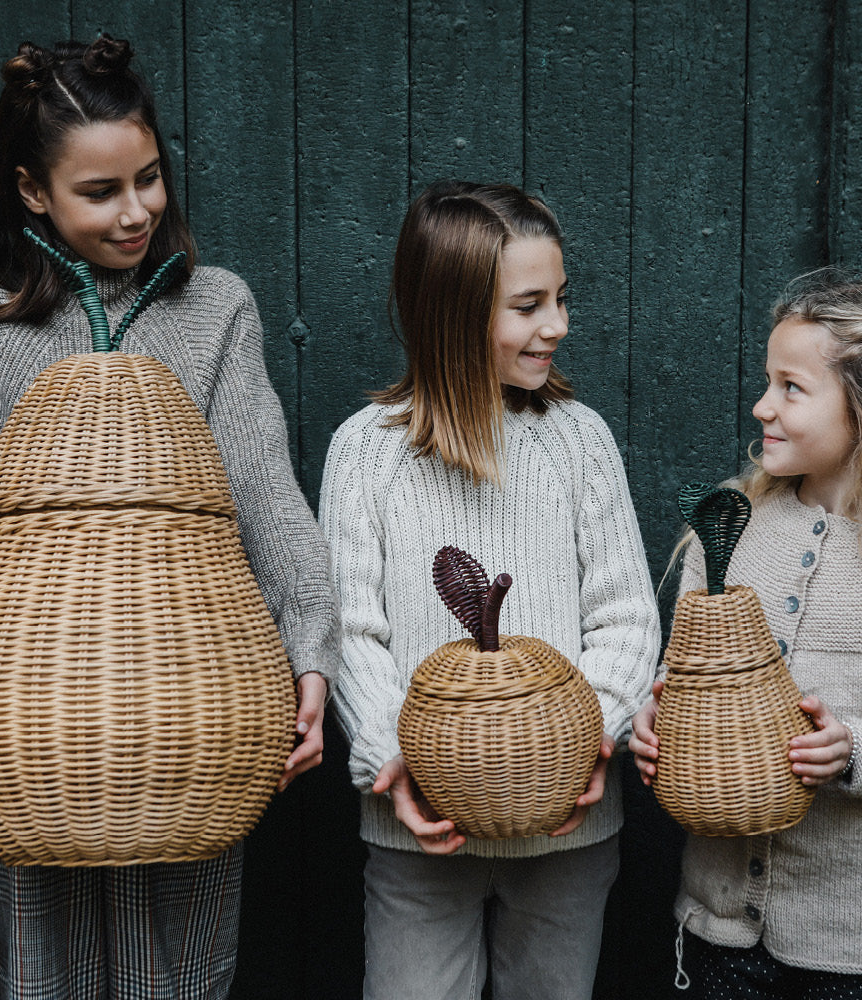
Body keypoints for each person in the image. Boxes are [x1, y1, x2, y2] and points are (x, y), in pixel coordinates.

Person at [0, 36, 339, 1000]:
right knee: (46, 981)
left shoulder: (217, 312)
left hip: (194, 728)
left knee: (186, 978)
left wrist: (312, 661)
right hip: (19, 736)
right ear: (34, 191)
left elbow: (273, 514)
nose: (138, 212)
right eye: (100, 191)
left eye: (150, 178)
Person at [319, 180, 660, 1000]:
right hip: (419, 834)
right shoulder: (366, 452)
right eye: (529, 305)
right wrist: (394, 754)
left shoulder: (578, 441)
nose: (558, 326)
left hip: (566, 835)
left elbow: (625, 618)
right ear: (453, 312)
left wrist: (587, 740)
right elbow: (351, 630)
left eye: (561, 299)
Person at [630, 272, 862, 998]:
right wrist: (658, 725)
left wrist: (851, 748)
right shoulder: (726, 528)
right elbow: (681, 685)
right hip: (717, 929)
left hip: (846, 949)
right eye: (768, 381)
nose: (763, 406)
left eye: (792, 387)